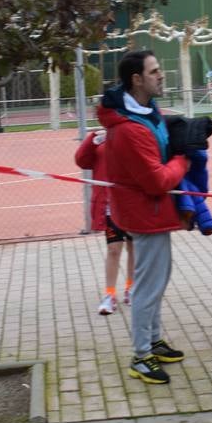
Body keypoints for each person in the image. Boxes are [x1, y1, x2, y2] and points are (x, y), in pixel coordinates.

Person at [99, 51, 191, 385]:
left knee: (158, 279)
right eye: (154, 71)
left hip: (154, 213)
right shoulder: (129, 129)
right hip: (145, 213)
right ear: (137, 79)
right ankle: (141, 356)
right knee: (146, 287)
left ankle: (152, 340)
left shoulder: (148, 113)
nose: (161, 75)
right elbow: (156, 180)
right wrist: (183, 160)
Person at [75, 129, 135, 315]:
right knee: (113, 249)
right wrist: (93, 138)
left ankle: (131, 288)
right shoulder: (100, 138)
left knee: (133, 247)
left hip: (132, 203)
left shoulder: (132, 132)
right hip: (110, 205)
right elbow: (82, 160)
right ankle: (109, 295)